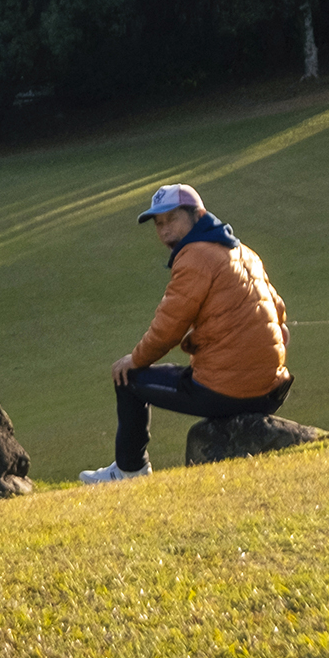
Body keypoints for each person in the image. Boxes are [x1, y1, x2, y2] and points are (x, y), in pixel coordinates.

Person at [80, 183, 292, 483]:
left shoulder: (194, 256)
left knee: (127, 379)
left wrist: (134, 360)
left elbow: (168, 328)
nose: (165, 231)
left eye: (172, 219)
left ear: (198, 215)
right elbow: (279, 315)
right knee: (161, 373)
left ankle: (130, 470)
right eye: (159, 224)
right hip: (272, 391)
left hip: (227, 392)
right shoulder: (243, 250)